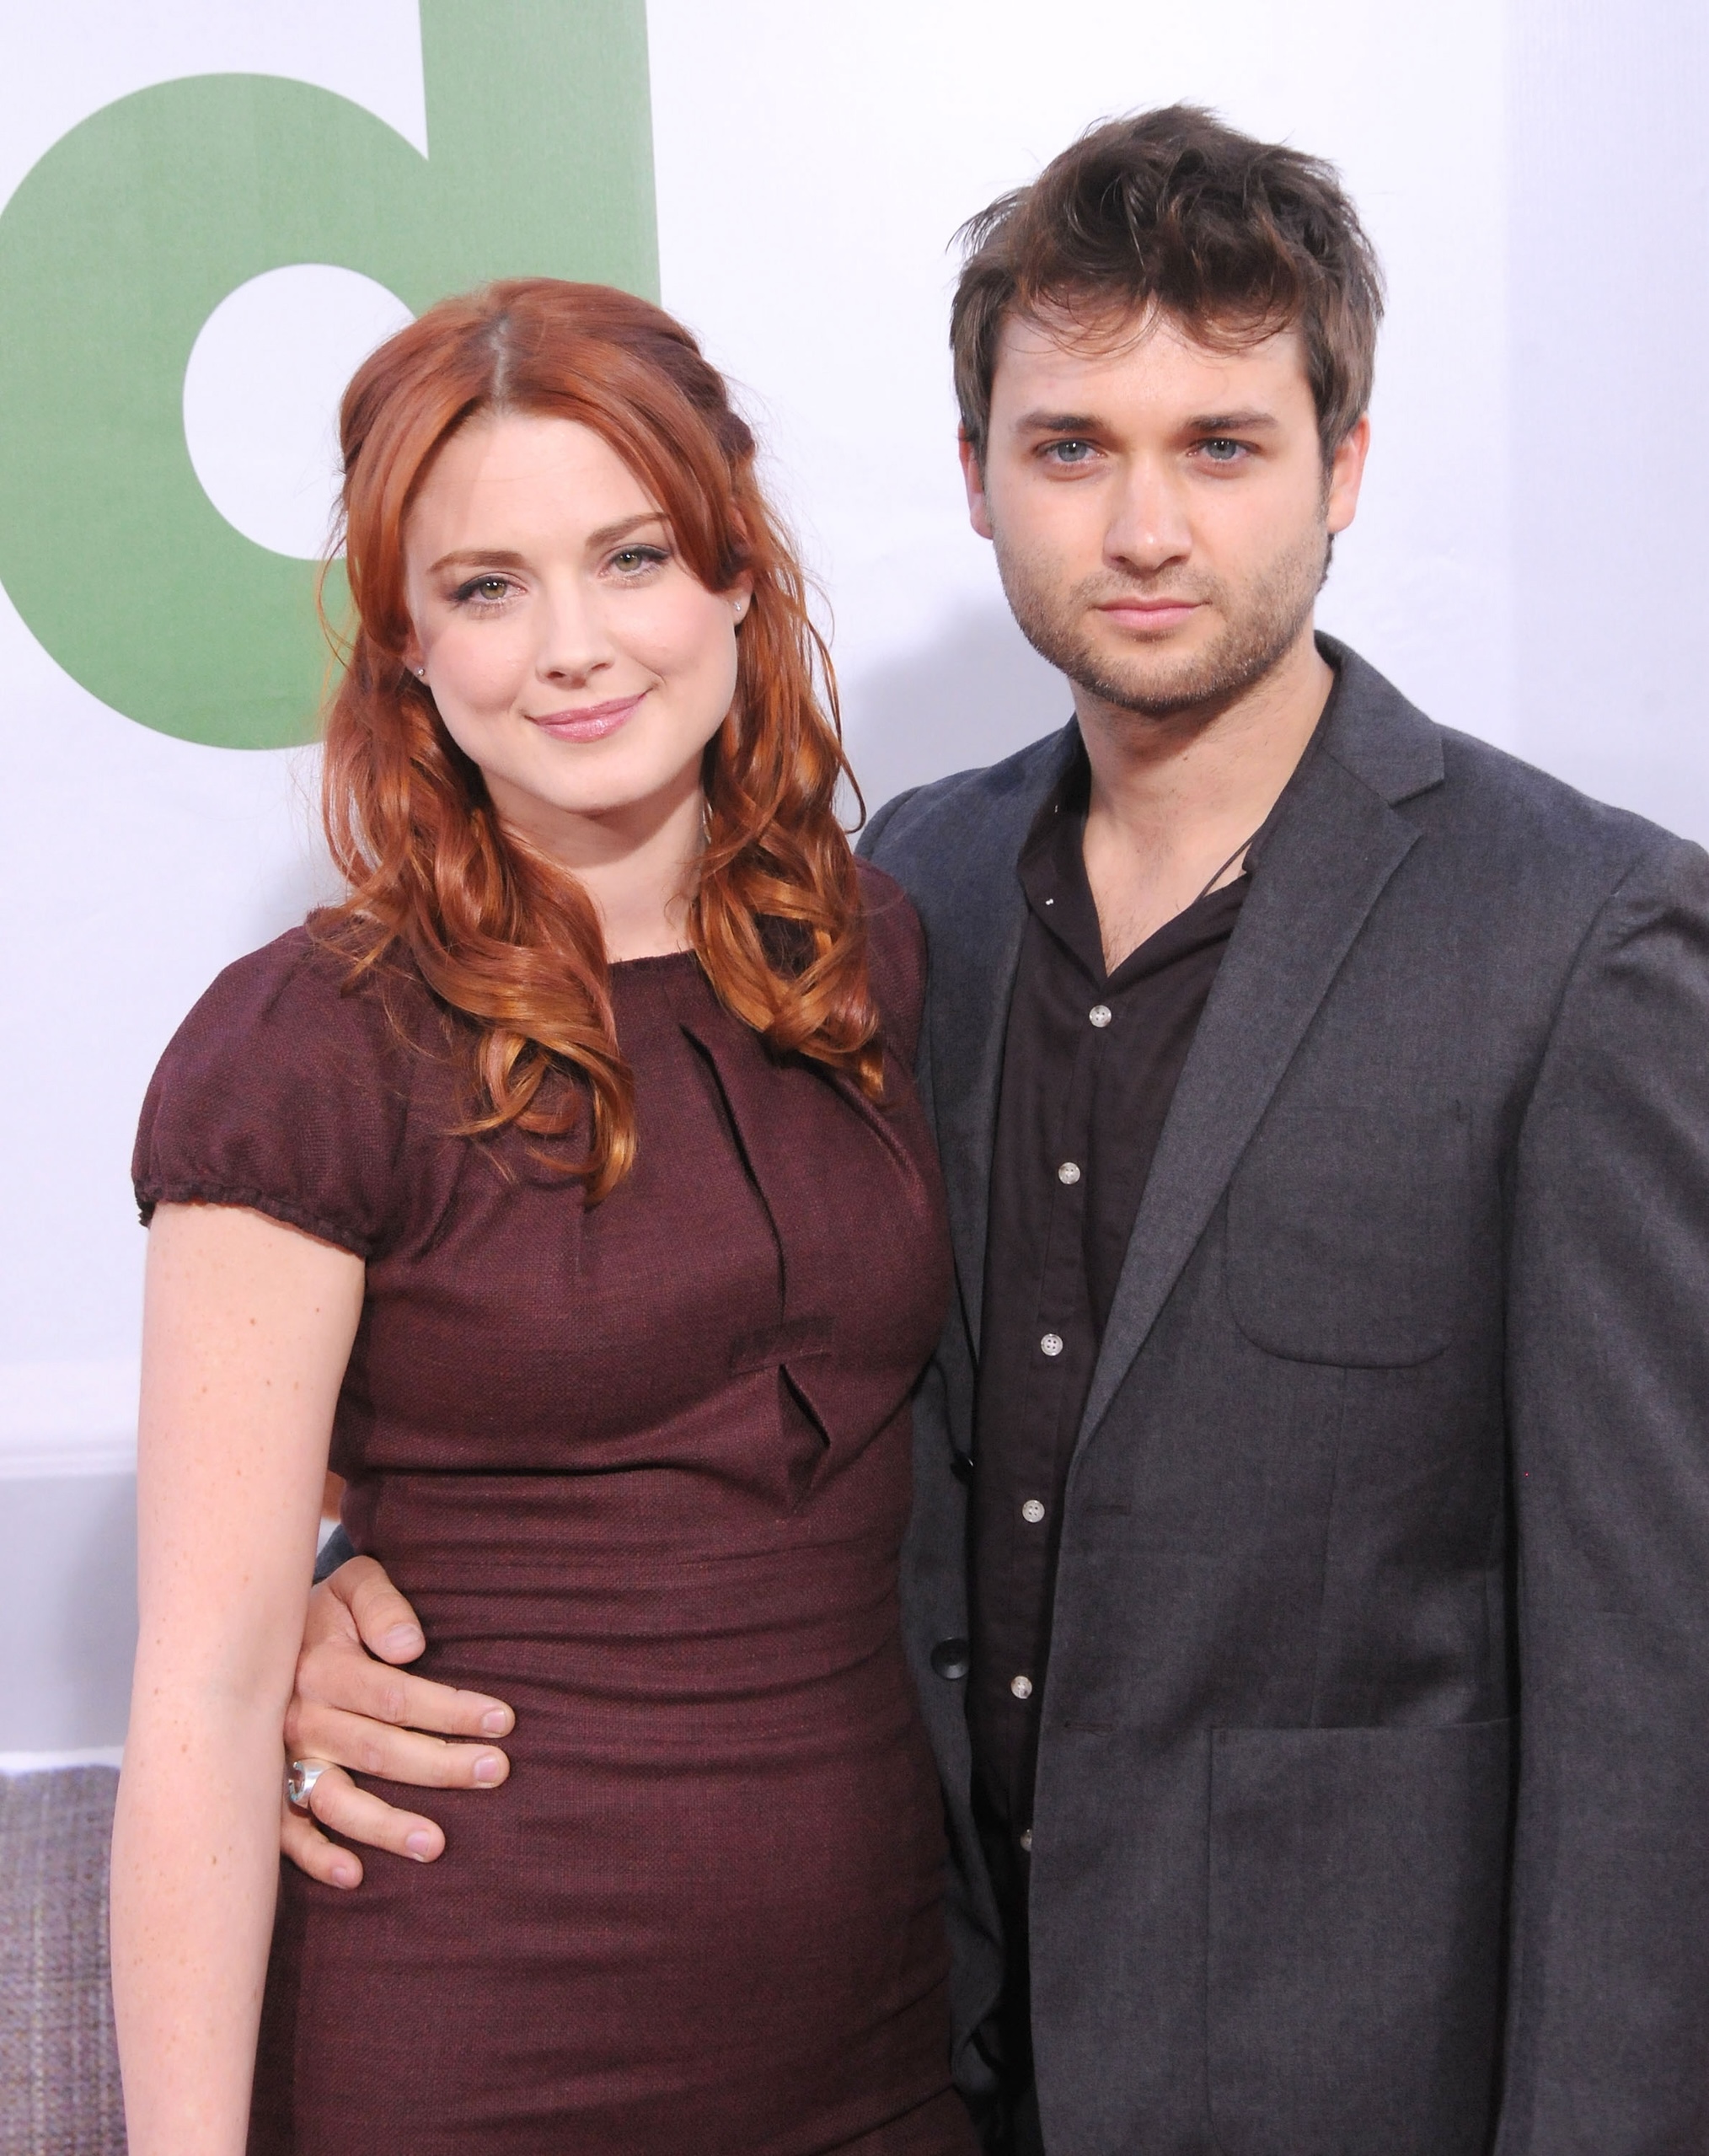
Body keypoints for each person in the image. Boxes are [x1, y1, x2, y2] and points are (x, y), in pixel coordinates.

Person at [281, 109, 1709, 2153]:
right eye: (1070, 448)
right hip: (905, 2050)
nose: (1144, 528)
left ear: (1346, 469)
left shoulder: (1581, 937)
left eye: (1222, 445)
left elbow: (1658, 1692)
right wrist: (333, 1595)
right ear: (974, 480)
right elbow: (692, 1358)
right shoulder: (888, 906)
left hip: (1350, 2077)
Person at [110, 277, 978, 2156]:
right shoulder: (313, 1043)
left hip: (880, 2041)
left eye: (633, 555)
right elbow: (201, 1688)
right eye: (488, 585)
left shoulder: (870, 962)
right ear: (408, 644)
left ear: (737, 576)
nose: (573, 647)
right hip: (475, 2037)